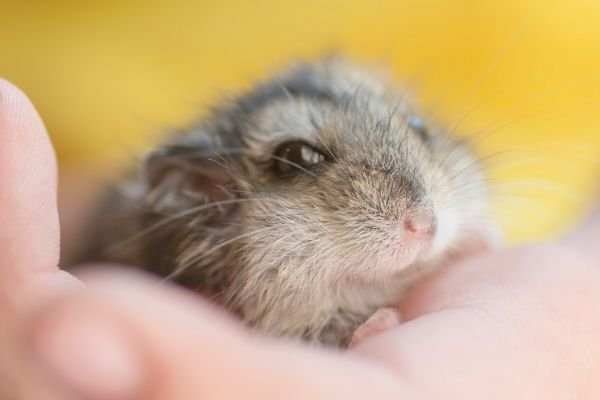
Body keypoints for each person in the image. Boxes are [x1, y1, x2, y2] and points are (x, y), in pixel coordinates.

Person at [1, 78, 599, 400]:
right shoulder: (154, 249)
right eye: (301, 158)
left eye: (414, 129)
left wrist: (579, 289)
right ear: (202, 193)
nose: (420, 216)